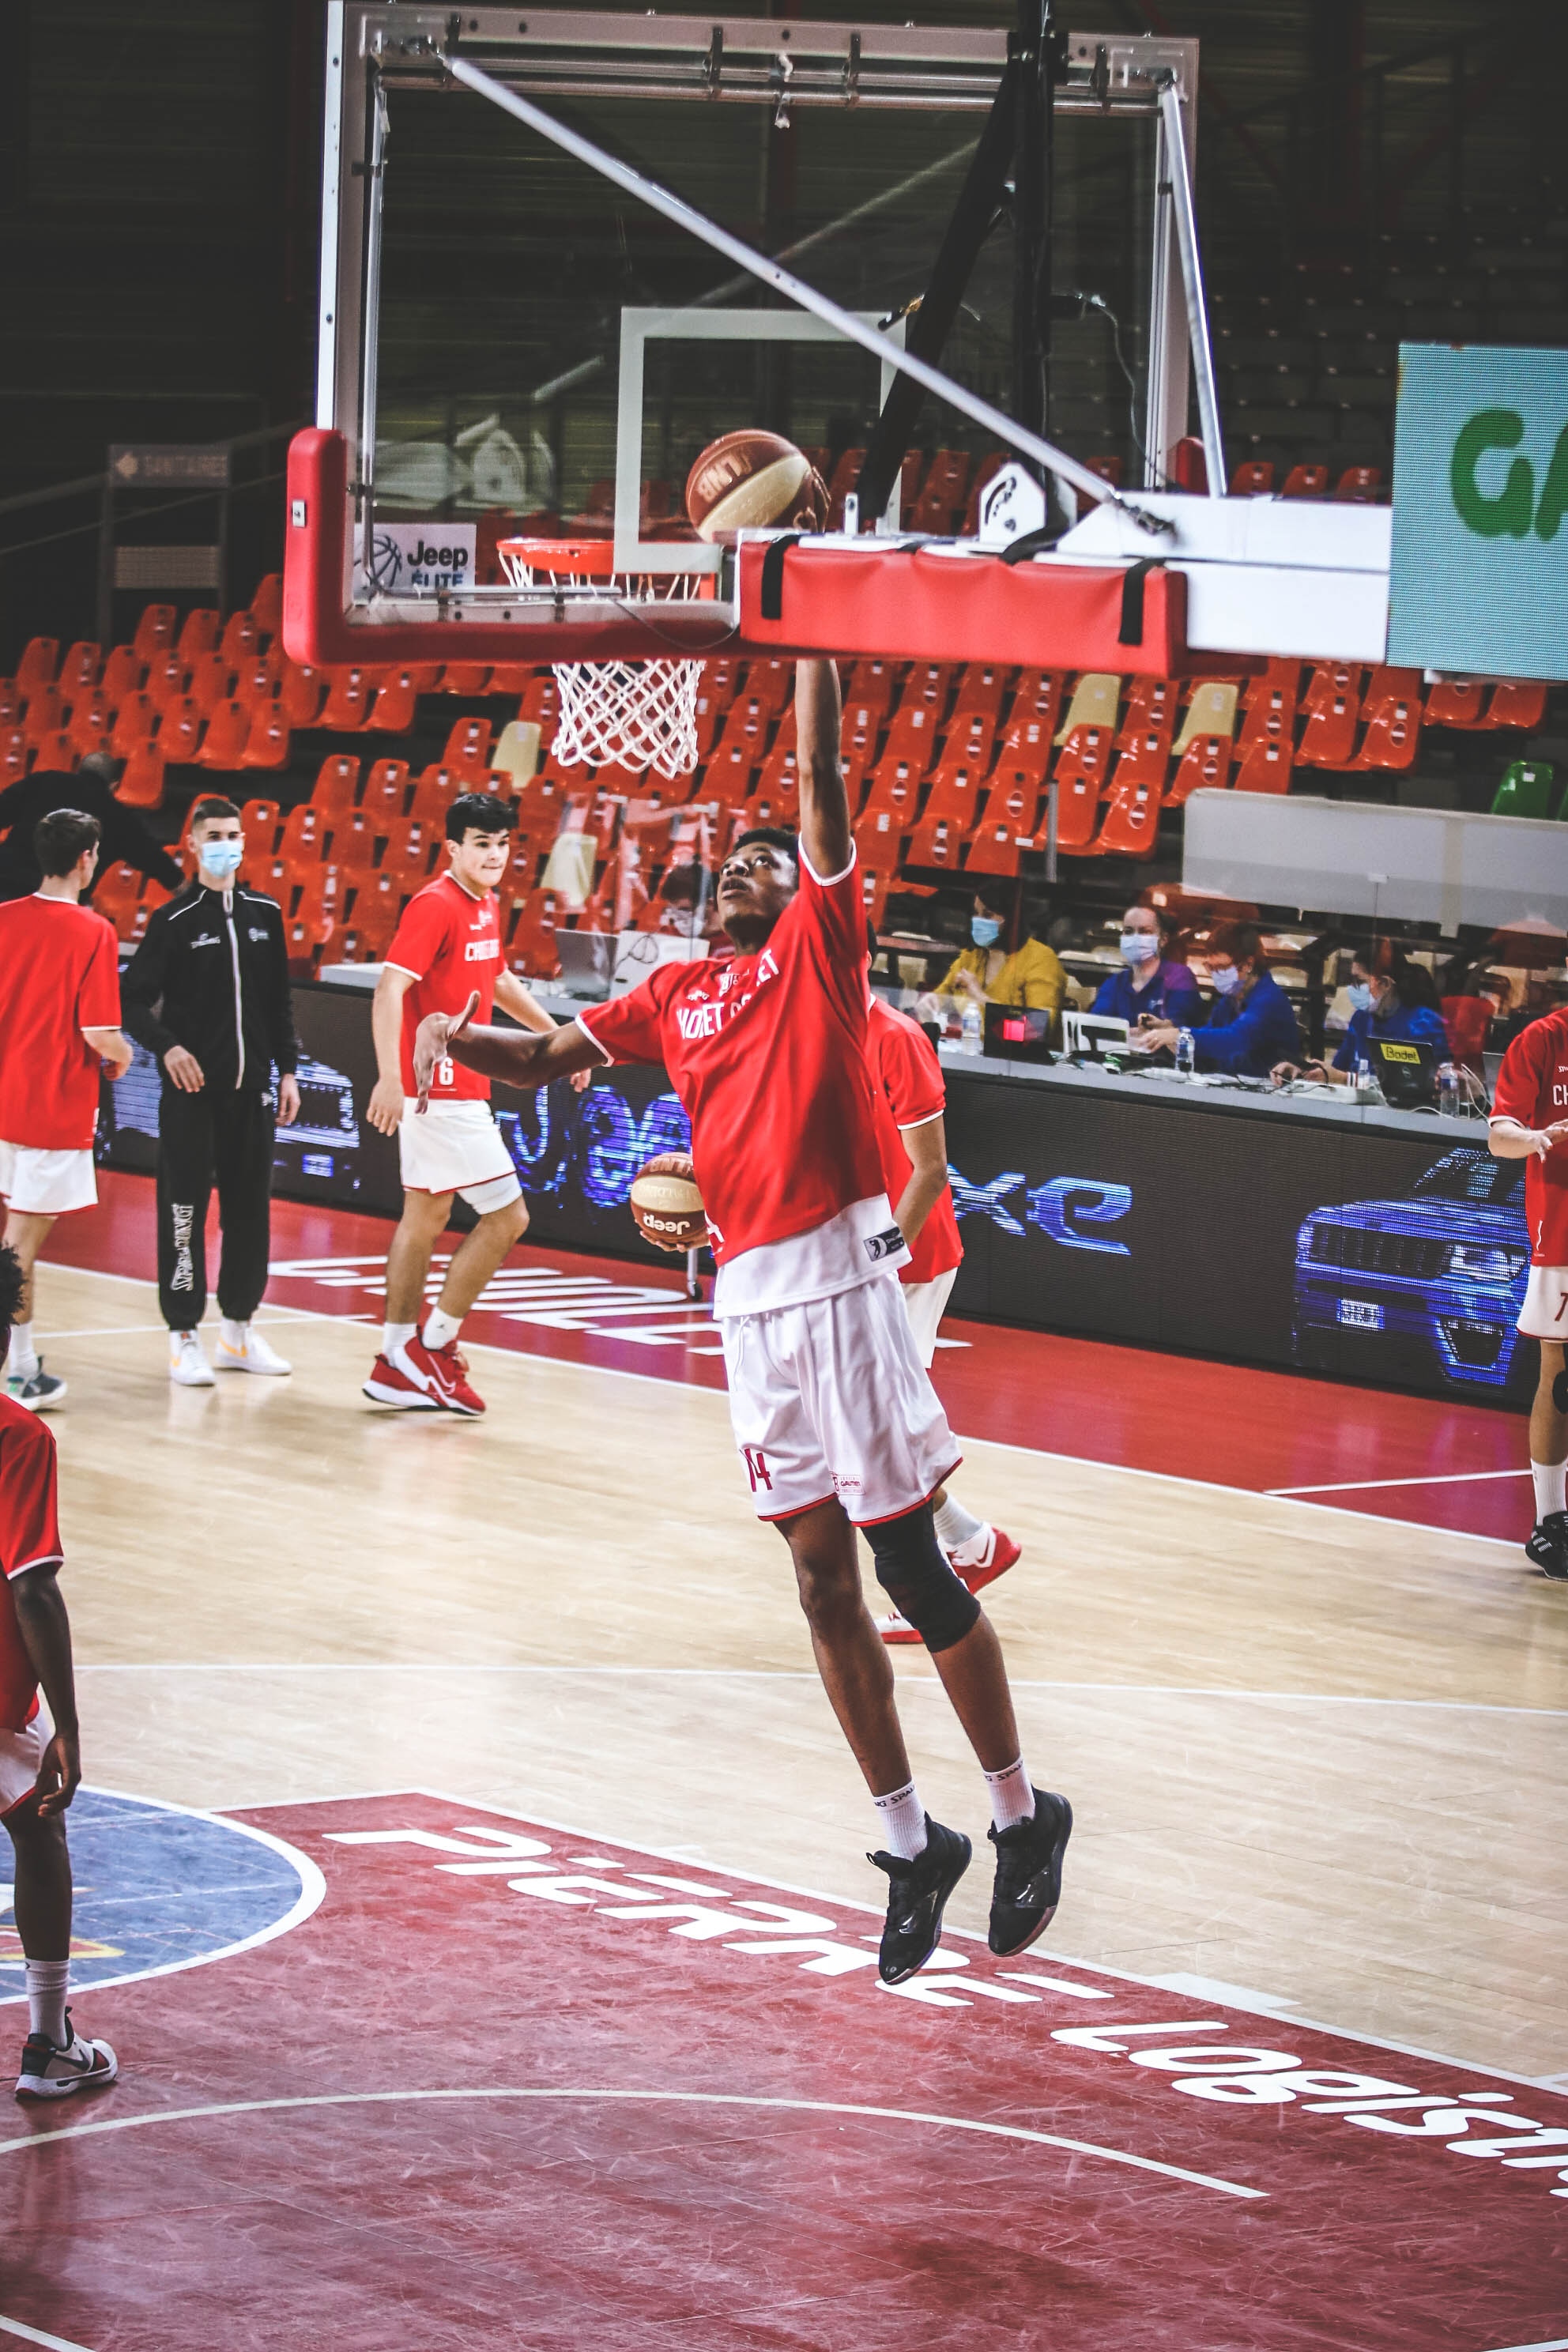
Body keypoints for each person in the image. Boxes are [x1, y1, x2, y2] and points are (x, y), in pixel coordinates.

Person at [413, 663, 1072, 1986]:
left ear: (800, 894)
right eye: (736, 861)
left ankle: (1017, 1811)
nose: (748, 867)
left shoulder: (816, 961)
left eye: (770, 860)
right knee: (817, 1580)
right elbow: (546, 1058)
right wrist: (446, 1038)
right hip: (749, 1304)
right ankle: (909, 1843)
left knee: (909, 1568)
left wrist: (815, 651)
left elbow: (823, 795)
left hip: (841, 1282)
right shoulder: (672, 996)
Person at [363, 791, 589, 1417]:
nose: (494, 855)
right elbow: (389, 990)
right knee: (508, 1218)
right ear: (453, 848)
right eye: (481, 844)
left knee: (426, 1219)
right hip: (440, 1091)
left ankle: (395, 1359)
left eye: (502, 844)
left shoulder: (485, 903)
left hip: (456, 1090)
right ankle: (433, 1346)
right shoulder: (435, 905)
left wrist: (557, 1043)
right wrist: (389, 1077)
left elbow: (497, 980)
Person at [864, 923, 1019, 1644]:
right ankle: (972, 1542)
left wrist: (881, 1251)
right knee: (870, 1427)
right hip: (853, 1258)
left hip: (907, 1257)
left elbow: (929, 1170)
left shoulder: (894, 1035)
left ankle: (950, 1564)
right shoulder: (809, 1030)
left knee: (877, 1430)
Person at [121, 796, 300, 1386]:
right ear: (193, 844)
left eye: (235, 833)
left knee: (250, 1215)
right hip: (193, 1098)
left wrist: (288, 1070)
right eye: (215, 834)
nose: (227, 843)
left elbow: (278, 1003)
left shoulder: (265, 914)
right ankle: (182, 1335)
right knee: (183, 1214)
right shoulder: (174, 921)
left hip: (253, 1096)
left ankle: (239, 1331)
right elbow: (130, 1000)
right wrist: (168, 1046)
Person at [0, 1241, 116, 2097]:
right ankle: (46, 2045)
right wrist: (69, 1726)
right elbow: (33, 1589)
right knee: (39, 1826)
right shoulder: (17, 1434)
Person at [0, 809, 133, 1409]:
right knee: (18, 1249)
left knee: (10, 1245)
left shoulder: (3, 920)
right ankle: (18, 1370)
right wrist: (123, 1055)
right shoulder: (94, 931)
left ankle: (21, 1364)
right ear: (87, 859)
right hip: (49, 1111)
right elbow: (100, 1030)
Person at [1486, 1001, 1568, 1579]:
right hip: (1564, 1234)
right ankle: (1550, 1522)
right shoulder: (1542, 1039)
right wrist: (1534, 1136)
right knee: (1560, 1377)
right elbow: (1501, 1137)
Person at [0, 752, 182, 904]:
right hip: (55, 905)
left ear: (78, 769)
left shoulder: (43, 781)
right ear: (114, 785)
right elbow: (157, 862)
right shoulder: (120, 817)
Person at [1271, 940, 1449, 1087]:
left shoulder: (1423, 1023)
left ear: (1385, 984)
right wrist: (1303, 1072)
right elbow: (1337, 1070)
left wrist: (1345, 1079)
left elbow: (1410, 1084)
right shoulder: (1360, 1019)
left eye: (1359, 980)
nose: (1351, 987)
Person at [1133, 921, 1299, 1077]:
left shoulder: (1269, 1001)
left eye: (1221, 967)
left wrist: (1180, 1034)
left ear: (1248, 964)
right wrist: (1168, 1029)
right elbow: (1210, 1037)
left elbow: (1234, 1039)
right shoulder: (1231, 999)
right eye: (1210, 967)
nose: (1214, 974)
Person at [926, 891, 1067, 1038]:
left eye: (988, 915)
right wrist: (922, 1012)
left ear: (1011, 918)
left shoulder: (1042, 959)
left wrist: (980, 997)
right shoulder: (971, 956)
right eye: (976, 913)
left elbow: (1035, 1031)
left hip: (1018, 1057)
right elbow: (935, 1002)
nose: (978, 920)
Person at [1090, 903, 1204, 1032]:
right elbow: (1097, 1027)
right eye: (1128, 932)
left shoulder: (1180, 976)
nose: (1135, 938)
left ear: (1163, 940)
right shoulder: (1114, 983)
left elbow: (1179, 1027)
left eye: (1145, 932)